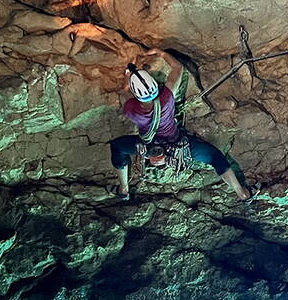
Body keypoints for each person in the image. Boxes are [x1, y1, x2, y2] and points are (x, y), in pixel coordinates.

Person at [109, 50, 255, 203]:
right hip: (177, 145)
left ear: (136, 96)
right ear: (155, 87)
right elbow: (178, 67)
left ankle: (124, 189)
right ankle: (242, 193)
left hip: (148, 147)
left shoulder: (132, 110)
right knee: (215, 157)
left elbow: (123, 91)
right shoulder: (167, 97)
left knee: (117, 147)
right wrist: (159, 52)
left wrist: (127, 75)